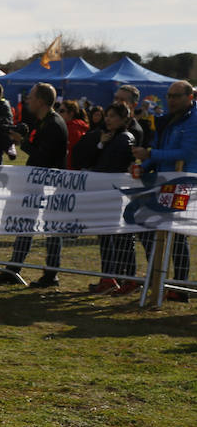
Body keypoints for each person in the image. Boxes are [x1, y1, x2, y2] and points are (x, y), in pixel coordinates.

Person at [0, 82, 68, 287]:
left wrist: (22, 142)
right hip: (36, 183)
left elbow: (43, 157)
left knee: (50, 228)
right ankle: (14, 269)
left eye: (31, 97)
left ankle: (51, 274)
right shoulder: (44, 121)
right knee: (25, 225)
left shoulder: (54, 124)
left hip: (48, 185)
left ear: (40, 101)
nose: (27, 101)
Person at [132, 80, 196, 301]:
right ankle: (157, 278)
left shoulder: (194, 120)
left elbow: (187, 153)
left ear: (189, 97)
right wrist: (143, 166)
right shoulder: (167, 120)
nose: (171, 99)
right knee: (148, 229)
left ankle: (179, 286)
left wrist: (150, 155)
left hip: (182, 183)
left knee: (177, 236)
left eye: (176, 96)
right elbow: (159, 148)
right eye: (169, 95)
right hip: (161, 181)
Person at [73, 102, 137, 294]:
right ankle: (109, 276)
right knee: (106, 237)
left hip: (115, 194)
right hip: (104, 193)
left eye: (113, 116)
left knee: (121, 238)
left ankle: (127, 278)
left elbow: (110, 166)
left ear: (123, 119)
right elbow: (90, 160)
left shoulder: (125, 138)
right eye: (107, 115)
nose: (108, 119)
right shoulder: (108, 137)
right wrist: (101, 144)